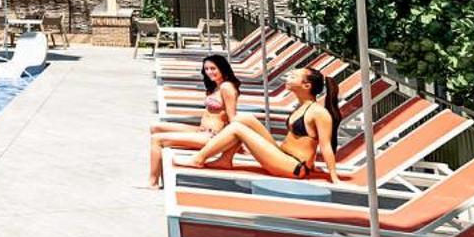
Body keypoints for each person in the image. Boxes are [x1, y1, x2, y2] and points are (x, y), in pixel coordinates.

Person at [185, 66, 340, 182]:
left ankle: (198, 159)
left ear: (306, 86)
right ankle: (225, 160)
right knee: (243, 119)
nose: (288, 77)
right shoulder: (302, 106)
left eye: (293, 76)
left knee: (237, 128)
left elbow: (325, 145)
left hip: (294, 166)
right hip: (281, 154)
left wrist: (333, 176)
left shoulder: (319, 113)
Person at [145, 54, 239, 186]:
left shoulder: (226, 87)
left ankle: (152, 183)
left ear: (222, 68)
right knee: (155, 127)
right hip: (201, 130)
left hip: (212, 136)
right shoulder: (216, 86)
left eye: (213, 68)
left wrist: (232, 147)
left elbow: (233, 118)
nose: (209, 72)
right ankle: (162, 179)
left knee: (157, 139)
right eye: (206, 69)